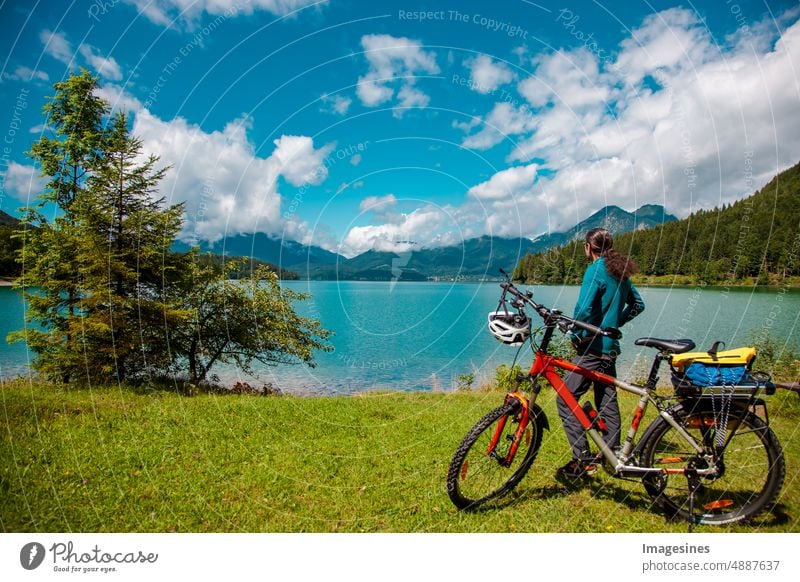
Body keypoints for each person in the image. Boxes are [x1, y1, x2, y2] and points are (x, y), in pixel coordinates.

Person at [556, 227, 645, 480]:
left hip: (592, 349)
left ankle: (582, 460)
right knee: (606, 401)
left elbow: (583, 309)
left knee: (565, 398)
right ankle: (612, 453)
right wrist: (615, 324)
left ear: (588, 247)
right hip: (609, 349)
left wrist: (575, 336)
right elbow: (638, 305)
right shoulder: (620, 270)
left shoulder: (595, 270)